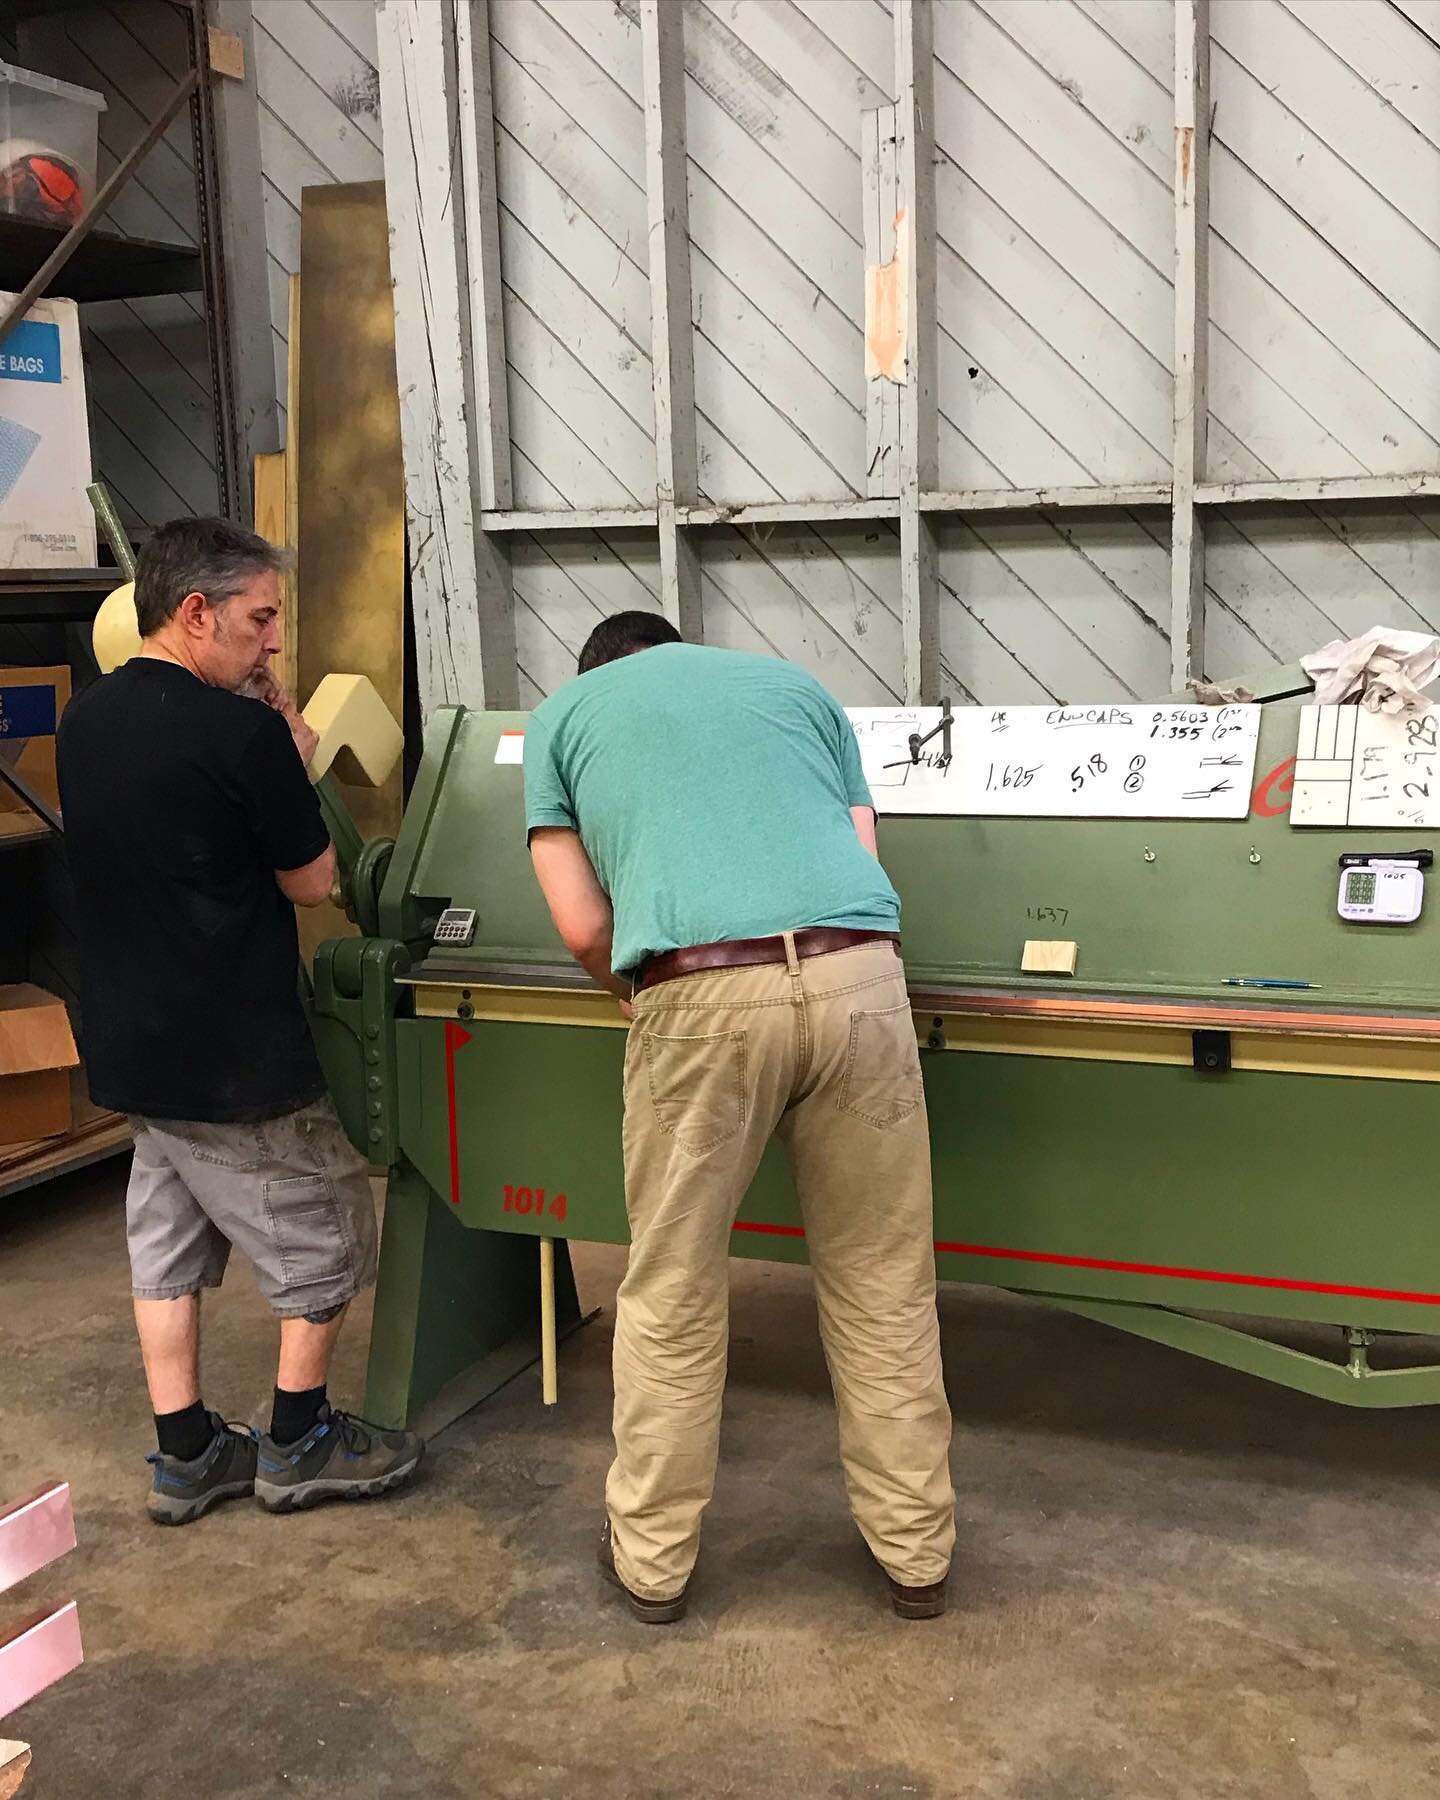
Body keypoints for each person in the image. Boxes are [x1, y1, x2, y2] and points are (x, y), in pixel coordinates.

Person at [524, 612, 954, 1623]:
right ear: (680, 648)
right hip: (862, 977)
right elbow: (858, 854)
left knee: (673, 1288)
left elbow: (585, 922)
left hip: (701, 991)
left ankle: (653, 1563)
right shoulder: (798, 689)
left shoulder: (565, 716)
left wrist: (635, 997)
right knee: (885, 1279)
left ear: (599, 672)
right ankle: (918, 1555)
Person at [56, 516, 422, 1525]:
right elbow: (311, 883)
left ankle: (188, 1454)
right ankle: (300, 1442)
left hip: (132, 1042)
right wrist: (292, 765)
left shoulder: (86, 720)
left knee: (165, 1245)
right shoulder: (246, 734)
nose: (271, 642)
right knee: (328, 1242)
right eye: (260, 620)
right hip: (237, 1054)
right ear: (195, 611)